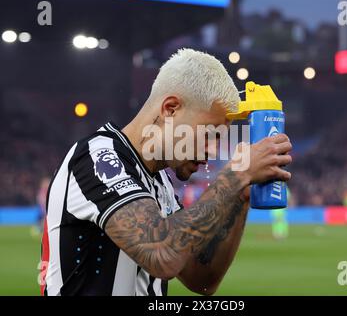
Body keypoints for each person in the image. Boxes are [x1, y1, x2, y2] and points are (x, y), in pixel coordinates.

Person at [41, 48, 292, 296]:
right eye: (209, 134)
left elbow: (202, 279)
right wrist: (236, 175)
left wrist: (240, 196)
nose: (213, 151)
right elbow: (162, 255)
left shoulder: (159, 179)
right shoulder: (99, 158)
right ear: (170, 109)